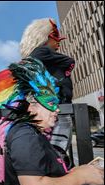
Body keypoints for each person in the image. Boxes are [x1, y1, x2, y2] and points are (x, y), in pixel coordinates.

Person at [1, 57, 103, 185]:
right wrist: (81, 176)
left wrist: (73, 174)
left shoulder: (36, 133)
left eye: (57, 104)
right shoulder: (25, 135)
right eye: (51, 103)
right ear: (31, 105)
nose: (56, 110)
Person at [20, 18, 76, 166]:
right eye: (55, 37)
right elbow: (70, 61)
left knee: (53, 146)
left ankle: (57, 170)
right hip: (57, 107)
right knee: (58, 147)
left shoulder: (43, 58)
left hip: (53, 106)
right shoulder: (41, 51)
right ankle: (57, 172)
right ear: (45, 37)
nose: (58, 42)